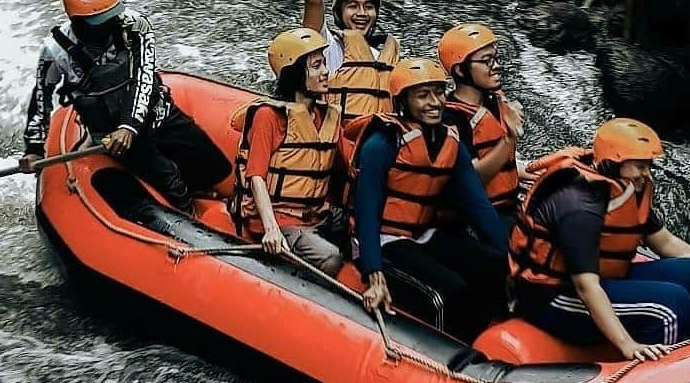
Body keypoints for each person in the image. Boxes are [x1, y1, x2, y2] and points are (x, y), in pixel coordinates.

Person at [508, 118, 690, 361]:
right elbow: (586, 287)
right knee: (670, 307)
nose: (646, 174)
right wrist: (628, 345)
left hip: (600, 280)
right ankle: (667, 380)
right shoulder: (579, 205)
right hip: (552, 297)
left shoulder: (626, 187)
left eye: (648, 166)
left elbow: (665, 242)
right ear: (613, 162)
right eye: (639, 166)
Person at [21, 0, 231, 211]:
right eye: (100, 21)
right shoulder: (54, 51)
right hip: (113, 135)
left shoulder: (135, 26)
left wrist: (129, 125)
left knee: (215, 166)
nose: (110, 24)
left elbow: (144, 77)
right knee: (169, 178)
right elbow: (41, 99)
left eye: (111, 16)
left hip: (155, 113)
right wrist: (34, 148)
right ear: (77, 20)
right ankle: (187, 214)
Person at [347, 57, 508, 342]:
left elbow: (478, 207)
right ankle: (457, 351)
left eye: (438, 93)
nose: (434, 102)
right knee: (452, 290)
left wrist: (509, 260)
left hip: (424, 233)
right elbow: (367, 212)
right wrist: (374, 272)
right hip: (384, 240)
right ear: (404, 101)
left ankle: (497, 335)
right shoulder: (382, 143)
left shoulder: (450, 142)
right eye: (423, 95)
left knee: (493, 263)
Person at [228, 28, 344, 276]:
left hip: (316, 215)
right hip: (281, 219)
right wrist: (272, 229)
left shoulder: (327, 115)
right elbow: (255, 176)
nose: (326, 72)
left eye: (324, 64)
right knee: (331, 258)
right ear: (294, 75)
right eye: (316, 66)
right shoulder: (269, 116)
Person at [438, 23, 534, 226]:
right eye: (486, 61)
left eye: (496, 58)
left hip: (508, 203)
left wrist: (534, 172)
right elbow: (472, 180)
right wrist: (510, 138)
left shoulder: (495, 102)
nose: (496, 66)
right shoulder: (449, 118)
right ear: (461, 71)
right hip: (475, 217)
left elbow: (501, 162)